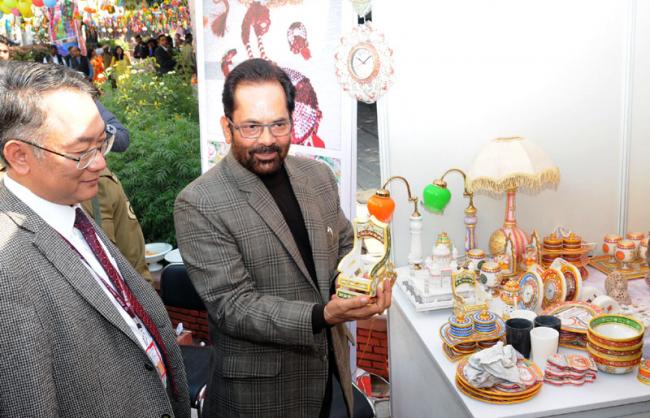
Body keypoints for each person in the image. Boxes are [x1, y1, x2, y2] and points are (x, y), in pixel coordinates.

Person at [174, 58, 392, 417]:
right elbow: (234, 307)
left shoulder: (318, 176)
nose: (267, 140)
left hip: (327, 373)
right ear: (227, 128)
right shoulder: (199, 202)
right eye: (251, 127)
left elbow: (343, 244)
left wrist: (362, 283)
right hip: (260, 396)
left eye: (279, 124)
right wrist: (322, 314)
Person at [0, 60, 190, 417]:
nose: (101, 163)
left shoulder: (67, 203)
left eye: (102, 143)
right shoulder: (7, 269)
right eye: (81, 151)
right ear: (19, 156)